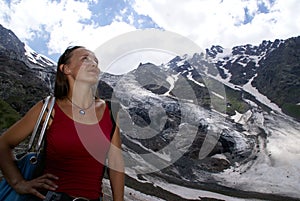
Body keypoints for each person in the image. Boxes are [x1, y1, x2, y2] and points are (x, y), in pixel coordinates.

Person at [0, 46, 125, 201]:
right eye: (85, 58)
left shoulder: (110, 111)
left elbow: (115, 162)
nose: (94, 63)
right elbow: (3, 144)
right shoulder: (48, 108)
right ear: (66, 69)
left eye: (96, 61)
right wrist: (18, 183)